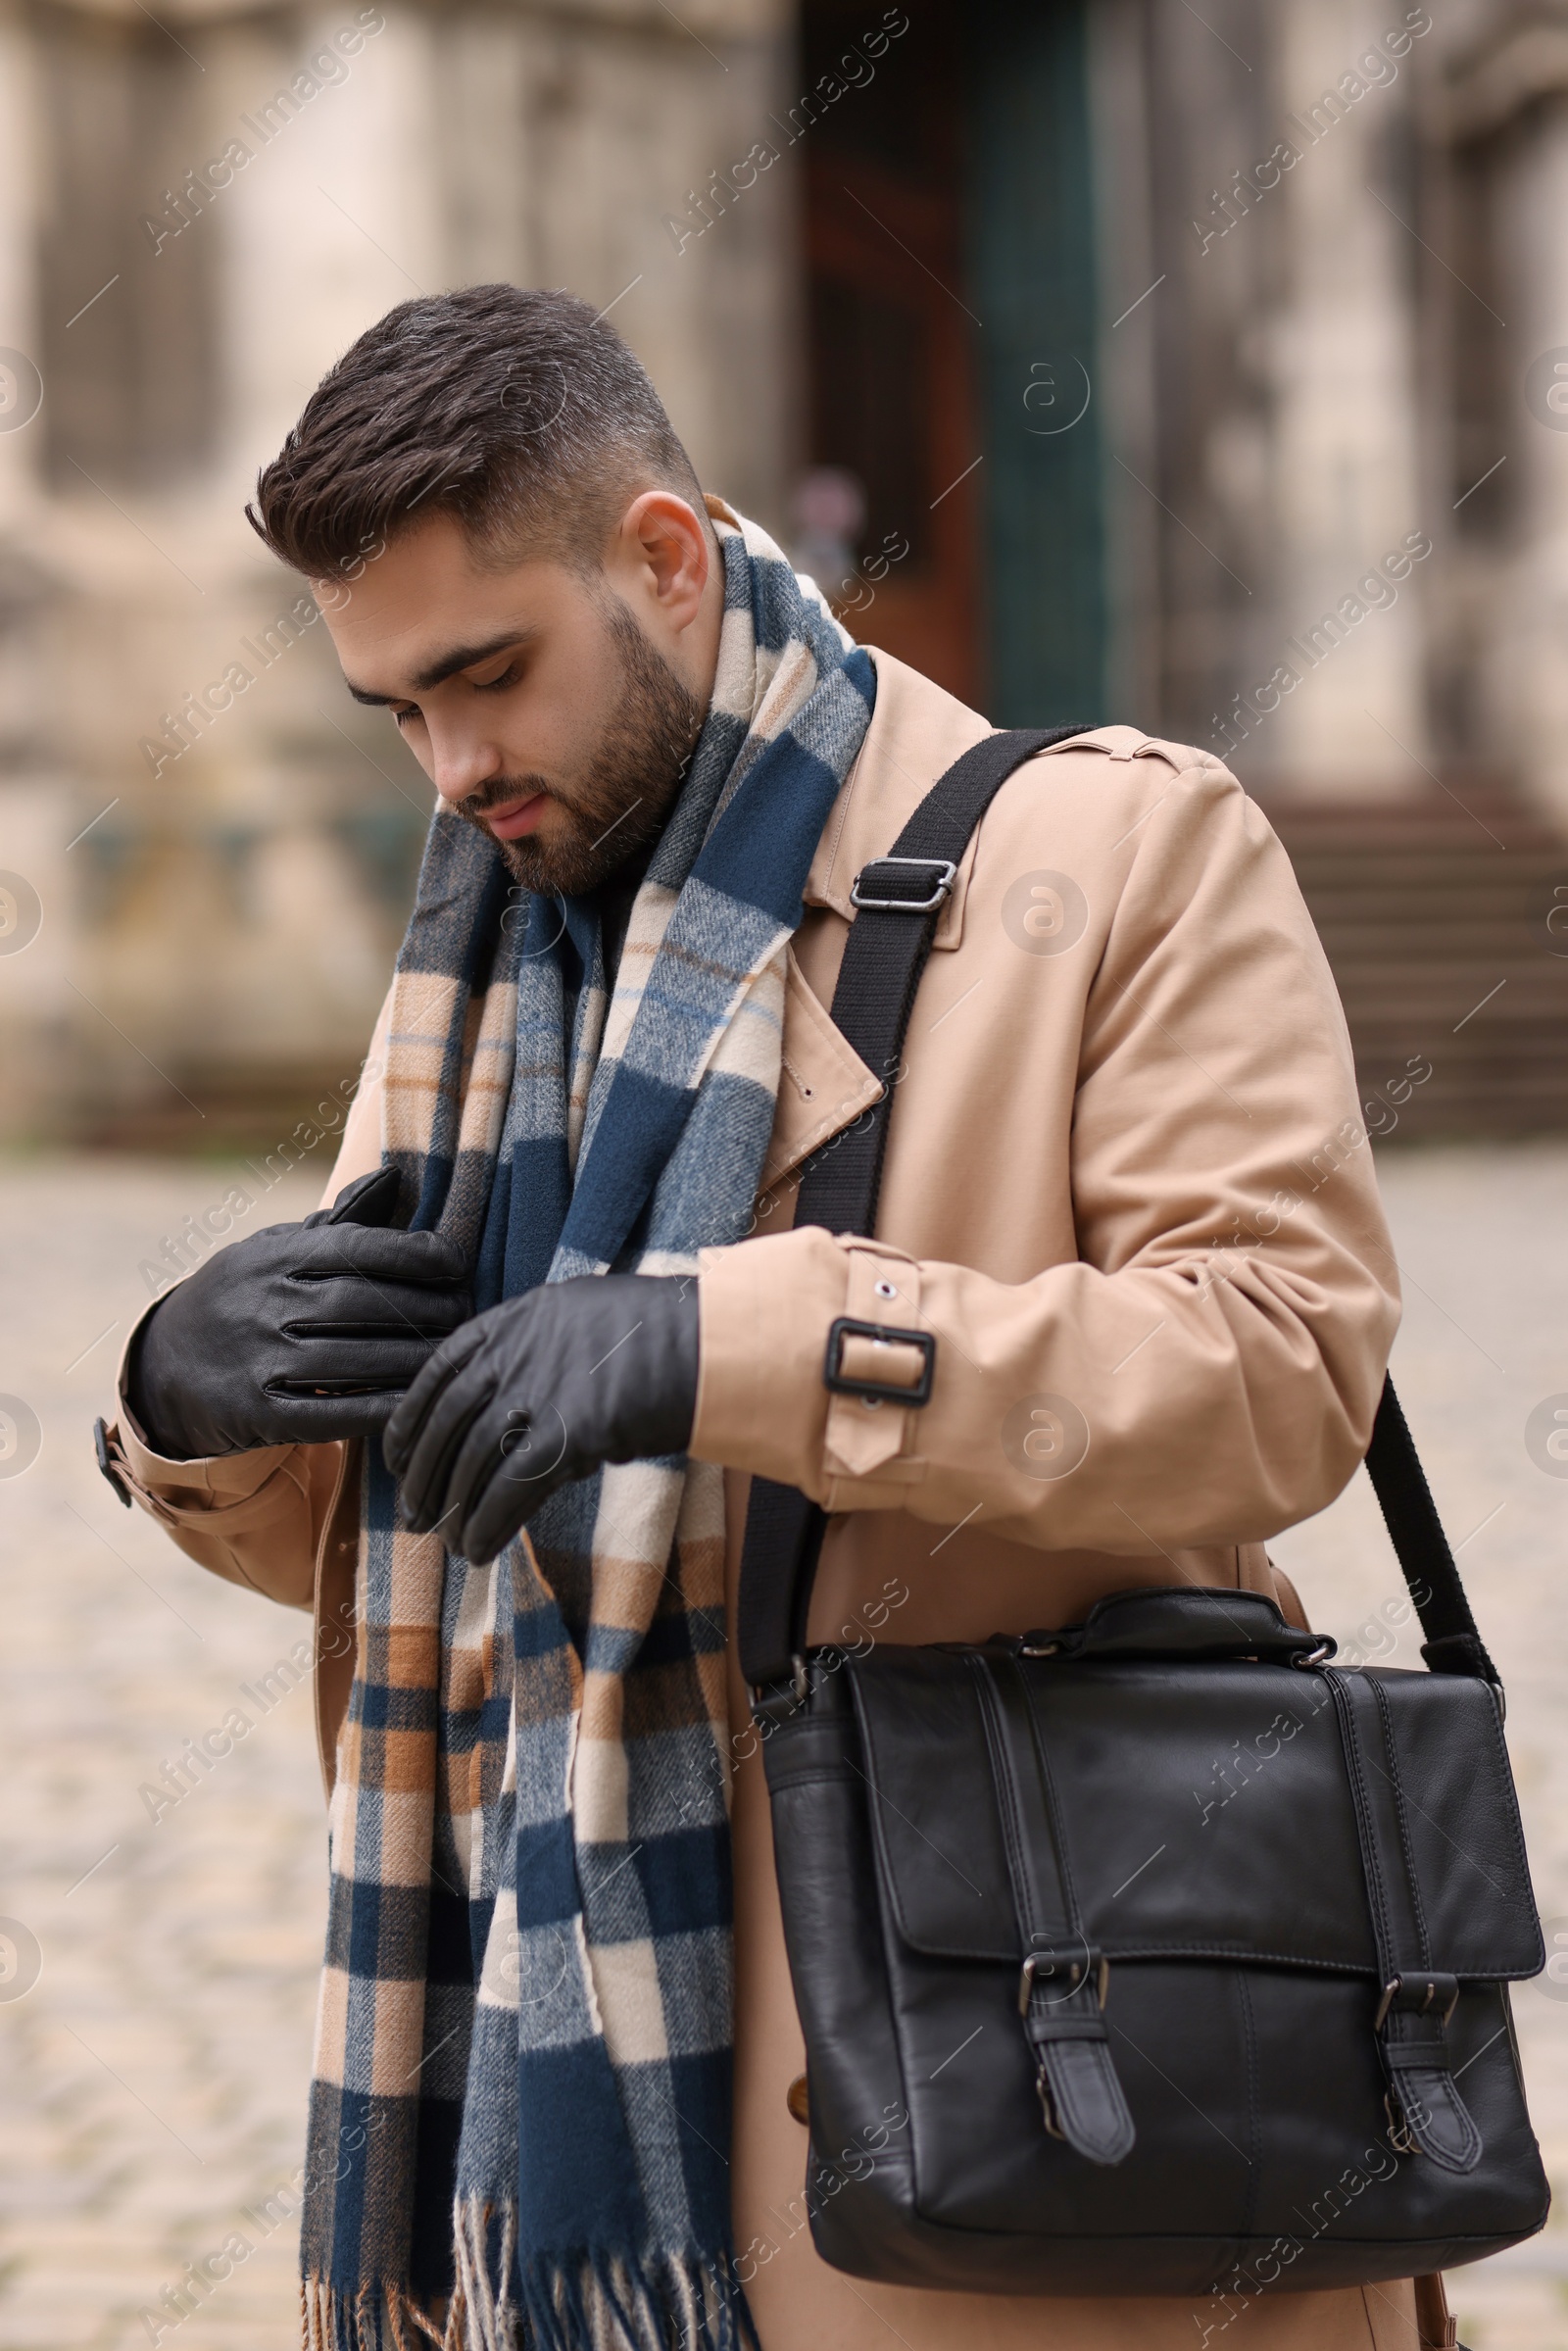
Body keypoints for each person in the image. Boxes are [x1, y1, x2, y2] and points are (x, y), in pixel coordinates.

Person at [97, 284, 1447, 2351]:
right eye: (395, 711)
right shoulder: (488, 967)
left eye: (486, 677)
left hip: (1032, 2123)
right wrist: (193, 1405)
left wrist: (736, 1352)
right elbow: (446, 1532)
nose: (451, 771)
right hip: (555, 2172)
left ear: (657, 556)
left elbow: (1276, 1374)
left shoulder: (1112, 845)